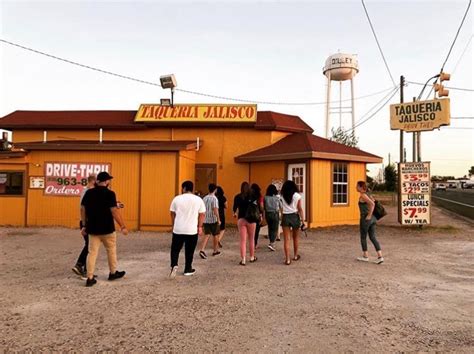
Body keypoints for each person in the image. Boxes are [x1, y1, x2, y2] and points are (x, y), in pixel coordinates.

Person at [81, 171, 128, 287]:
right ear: (106, 182)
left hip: (92, 229)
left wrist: (84, 225)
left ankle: (90, 277)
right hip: (107, 229)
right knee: (111, 250)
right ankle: (112, 273)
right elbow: (114, 211)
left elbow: (83, 209)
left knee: (92, 253)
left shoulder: (89, 193)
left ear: (97, 181)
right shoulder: (110, 194)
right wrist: (122, 226)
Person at [169, 180, 206, 278]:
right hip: (191, 229)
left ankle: (174, 265)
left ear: (184, 188)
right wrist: (200, 227)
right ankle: (188, 269)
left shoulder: (176, 199)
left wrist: (173, 224)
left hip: (178, 228)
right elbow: (202, 214)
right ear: (192, 188)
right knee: (189, 250)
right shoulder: (198, 200)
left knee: (175, 249)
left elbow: (172, 213)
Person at [72, 174, 96, 278]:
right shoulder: (87, 192)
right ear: (93, 181)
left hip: (86, 221)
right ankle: (79, 264)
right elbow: (83, 208)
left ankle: (87, 270)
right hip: (86, 221)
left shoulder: (85, 191)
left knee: (89, 244)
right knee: (89, 245)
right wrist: (84, 224)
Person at [356, 181, 384, 264]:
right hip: (373, 219)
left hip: (366, 219)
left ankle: (365, 256)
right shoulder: (368, 194)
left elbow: (372, 204)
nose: (356, 187)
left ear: (361, 187)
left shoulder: (363, 195)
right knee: (372, 237)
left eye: (357, 186)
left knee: (363, 237)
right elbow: (373, 201)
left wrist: (368, 215)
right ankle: (380, 257)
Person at [280, 180, 305, 265]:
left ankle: (287, 259)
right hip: (294, 216)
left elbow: (281, 208)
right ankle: (295, 255)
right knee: (295, 238)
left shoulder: (282, 196)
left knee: (287, 239)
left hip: (285, 216)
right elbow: (300, 208)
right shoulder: (297, 196)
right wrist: (303, 220)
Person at [233, 182, 257, 265]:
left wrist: (235, 214)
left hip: (241, 219)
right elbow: (257, 208)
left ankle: (243, 259)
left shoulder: (237, 197)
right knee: (251, 239)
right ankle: (252, 257)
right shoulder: (253, 197)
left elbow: (234, 209)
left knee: (243, 240)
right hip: (252, 220)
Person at [198, 183, 221, 259]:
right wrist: (218, 219)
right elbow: (215, 209)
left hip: (205, 219)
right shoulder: (214, 198)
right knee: (215, 234)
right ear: (215, 189)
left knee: (207, 234)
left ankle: (202, 249)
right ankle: (215, 250)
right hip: (213, 219)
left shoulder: (205, 198)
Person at [264, 184, 281, 251]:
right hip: (275, 213)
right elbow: (281, 206)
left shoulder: (265, 197)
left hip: (268, 214)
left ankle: (271, 241)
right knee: (275, 229)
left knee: (270, 227)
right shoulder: (277, 198)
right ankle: (272, 243)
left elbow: (264, 206)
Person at [250, 183, 264, 248]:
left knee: (251, 230)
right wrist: (262, 214)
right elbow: (261, 207)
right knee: (257, 230)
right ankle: (255, 244)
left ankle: (251, 243)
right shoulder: (260, 197)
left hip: (249, 215)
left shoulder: (249, 196)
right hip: (257, 215)